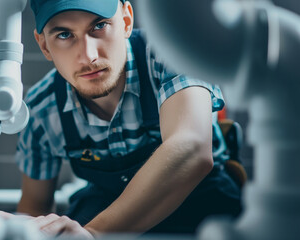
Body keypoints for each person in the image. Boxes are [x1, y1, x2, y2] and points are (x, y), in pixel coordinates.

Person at [13, 0, 241, 238]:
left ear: (126, 20)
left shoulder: (171, 54)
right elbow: (34, 207)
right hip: (105, 204)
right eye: (64, 34)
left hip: (203, 200)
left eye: (99, 26)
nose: (88, 56)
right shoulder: (41, 109)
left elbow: (192, 148)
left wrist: (92, 234)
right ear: (44, 46)